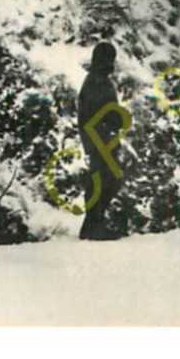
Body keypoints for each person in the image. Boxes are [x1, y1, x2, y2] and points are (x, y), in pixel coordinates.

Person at [77, 40, 128, 241]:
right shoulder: (96, 82)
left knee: (108, 180)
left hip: (102, 139)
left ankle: (92, 225)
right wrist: (116, 120)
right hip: (99, 140)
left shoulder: (99, 80)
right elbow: (97, 114)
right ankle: (92, 227)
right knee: (102, 180)